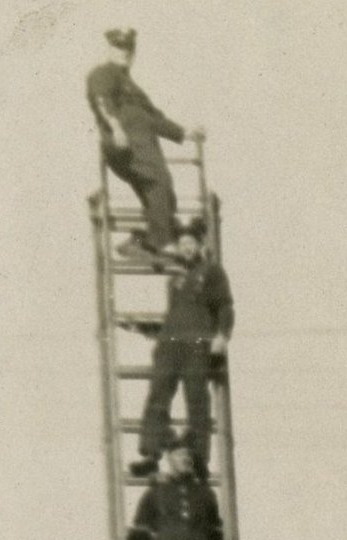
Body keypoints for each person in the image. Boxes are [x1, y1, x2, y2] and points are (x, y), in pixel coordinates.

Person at [128, 218, 235, 477]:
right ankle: (151, 453)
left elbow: (225, 306)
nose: (186, 248)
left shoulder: (212, 271)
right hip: (169, 345)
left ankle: (198, 458)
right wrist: (148, 330)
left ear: (199, 245)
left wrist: (222, 336)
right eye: (183, 243)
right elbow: (174, 315)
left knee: (197, 399)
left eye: (191, 243)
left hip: (197, 345)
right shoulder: (174, 278)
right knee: (158, 397)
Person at [86, 28, 202, 258]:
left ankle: (146, 240)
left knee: (163, 192)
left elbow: (154, 118)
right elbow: (101, 101)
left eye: (129, 49)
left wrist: (184, 133)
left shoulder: (131, 86)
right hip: (125, 144)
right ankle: (161, 242)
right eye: (119, 47)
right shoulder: (103, 73)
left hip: (143, 146)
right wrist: (116, 128)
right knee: (159, 180)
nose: (125, 53)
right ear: (109, 48)